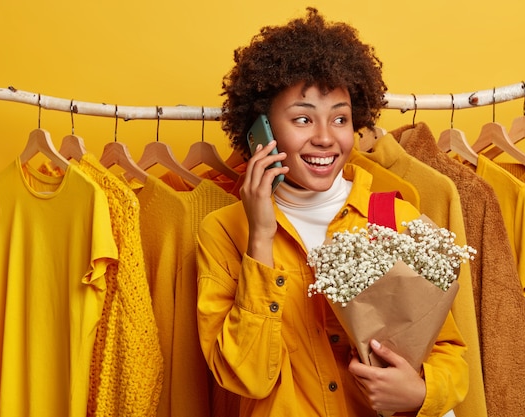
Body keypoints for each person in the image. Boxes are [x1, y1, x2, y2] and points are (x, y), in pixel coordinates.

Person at [196, 7, 469, 416]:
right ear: (262, 130)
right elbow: (246, 378)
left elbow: (450, 353)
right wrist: (260, 238)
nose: (325, 138)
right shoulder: (223, 232)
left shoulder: (395, 217)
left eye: (340, 118)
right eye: (303, 118)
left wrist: (421, 392)